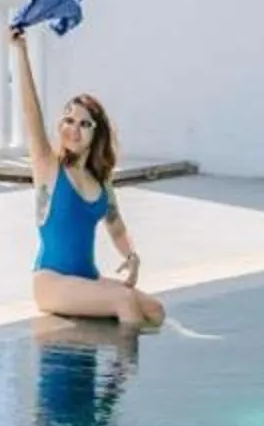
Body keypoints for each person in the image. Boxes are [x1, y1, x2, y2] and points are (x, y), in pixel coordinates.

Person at [9, 24, 164, 328]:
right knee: (124, 301)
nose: (73, 129)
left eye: (84, 123)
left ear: (97, 132)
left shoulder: (101, 178)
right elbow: (31, 115)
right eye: (68, 120)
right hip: (52, 281)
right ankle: (121, 375)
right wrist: (21, 52)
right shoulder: (49, 167)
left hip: (86, 278)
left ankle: (115, 352)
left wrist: (132, 256)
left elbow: (116, 228)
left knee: (155, 310)